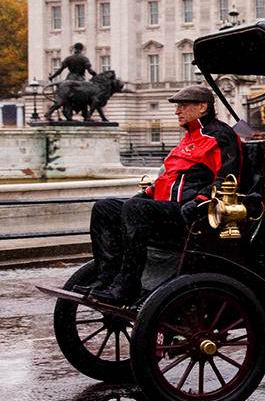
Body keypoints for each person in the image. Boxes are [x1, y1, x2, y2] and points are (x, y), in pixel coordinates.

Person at [87, 84, 241, 305]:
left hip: (192, 213)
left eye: (183, 106)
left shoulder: (220, 135)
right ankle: (106, 276)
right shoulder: (190, 136)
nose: (177, 111)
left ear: (202, 107)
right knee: (104, 208)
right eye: (177, 106)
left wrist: (201, 200)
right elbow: (170, 177)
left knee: (134, 208)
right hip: (168, 208)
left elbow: (227, 177)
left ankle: (128, 284)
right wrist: (147, 194)